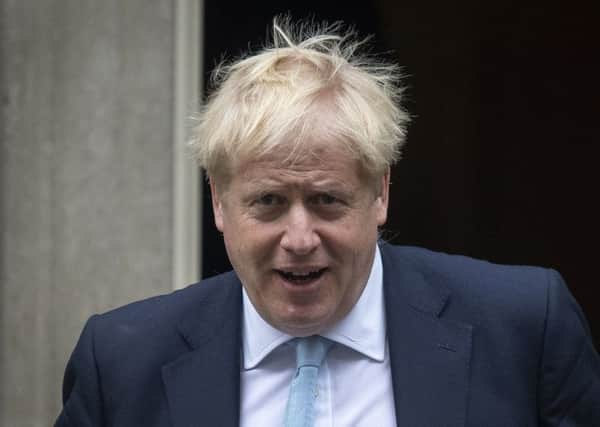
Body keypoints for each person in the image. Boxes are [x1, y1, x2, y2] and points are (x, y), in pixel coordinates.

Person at [55, 18, 599, 427]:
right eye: (267, 201)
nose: (299, 239)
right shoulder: (122, 365)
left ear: (380, 194)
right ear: (219, 202)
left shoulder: (525, 329)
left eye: (327, 200)